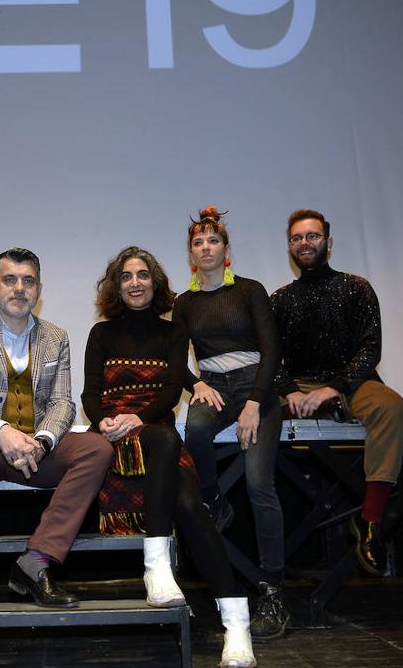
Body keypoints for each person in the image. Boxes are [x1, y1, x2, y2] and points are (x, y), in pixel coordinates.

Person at [82, 246, 256, 668]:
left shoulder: (173, 332)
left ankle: (236, 626)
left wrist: (136, 417)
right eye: (126, 276)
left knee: (189, 504)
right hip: (109, 437)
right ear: (116, 286)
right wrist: (107, 421)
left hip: (154, 427)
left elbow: (170, 390)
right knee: (164, 446)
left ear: (155, 284)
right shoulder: (100, 334)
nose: (135, 283)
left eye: (143, 275)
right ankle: (158, 565)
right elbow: (89, 393)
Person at [0, 248, 113, 623]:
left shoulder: (56, 337)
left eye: (27, 281)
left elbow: (63, 402)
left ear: (38, 289)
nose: (19, 288)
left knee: (96, 448)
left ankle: (35, 563)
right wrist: (0, 432)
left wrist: (43, 441)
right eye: (9, 280)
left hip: (36, 453)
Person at [270, 208, 403, 576]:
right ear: (289, 246)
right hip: (301, 386)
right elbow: (273, 357)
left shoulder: (357, 287)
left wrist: (335, 388)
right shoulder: (280, 299)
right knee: (263, 413)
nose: (305, 243)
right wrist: (291, 391)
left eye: (312, 236)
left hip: (353, 383)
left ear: (328, 243)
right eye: (298, 238)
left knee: (393, 408)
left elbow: (370, 348)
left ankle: (370, 520)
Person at [174, 205, 289, 641]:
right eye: (198, 243)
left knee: (261, 486)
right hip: (215, 383)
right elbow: (172, 357)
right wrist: (194, 383)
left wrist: (256, 402)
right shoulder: (184, 303)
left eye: (213, 241)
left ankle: (274, 591)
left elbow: (272, 350)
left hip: (255, 382)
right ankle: (213, 498)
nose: (206, 248)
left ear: (226, 250)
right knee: (197, 429)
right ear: (191, 254)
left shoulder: (250, 290)